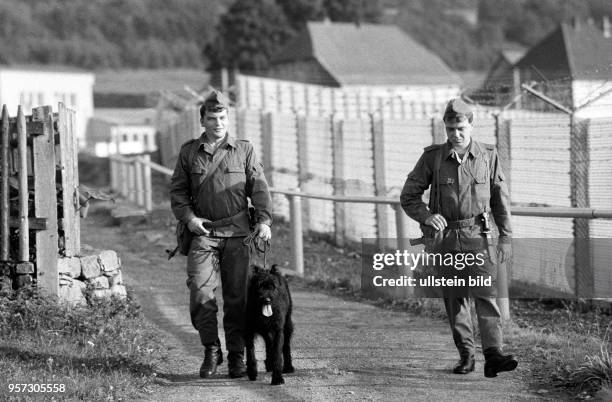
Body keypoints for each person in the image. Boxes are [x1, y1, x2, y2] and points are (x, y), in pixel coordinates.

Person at [400, 98, 518, 378]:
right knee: (456, 300)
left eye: (461, 128)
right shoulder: (433, 158)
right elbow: (408, 196)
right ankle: (466, 355)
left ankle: (493, 355)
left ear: (471, 125)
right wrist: (427, 216)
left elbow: (501, 200)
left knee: (487, 296)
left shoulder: (488, 156)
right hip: (446, 239)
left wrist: (506, 237)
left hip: (480, 236)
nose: (455, 134)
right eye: (450, 128)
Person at [170, 90, 272, 379]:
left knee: (237, 298)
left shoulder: (243, 150)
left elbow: (259, 188)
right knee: (201, 293)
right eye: (212, 118)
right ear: (202, 120)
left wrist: (264, 221)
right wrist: (189, 219)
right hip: (203, 234)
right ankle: (211, 349)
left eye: (223, 117)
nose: (218, 123)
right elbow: (178, 191)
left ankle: (237, 354)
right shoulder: (189, 152)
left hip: (238, 235)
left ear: (229, 118)